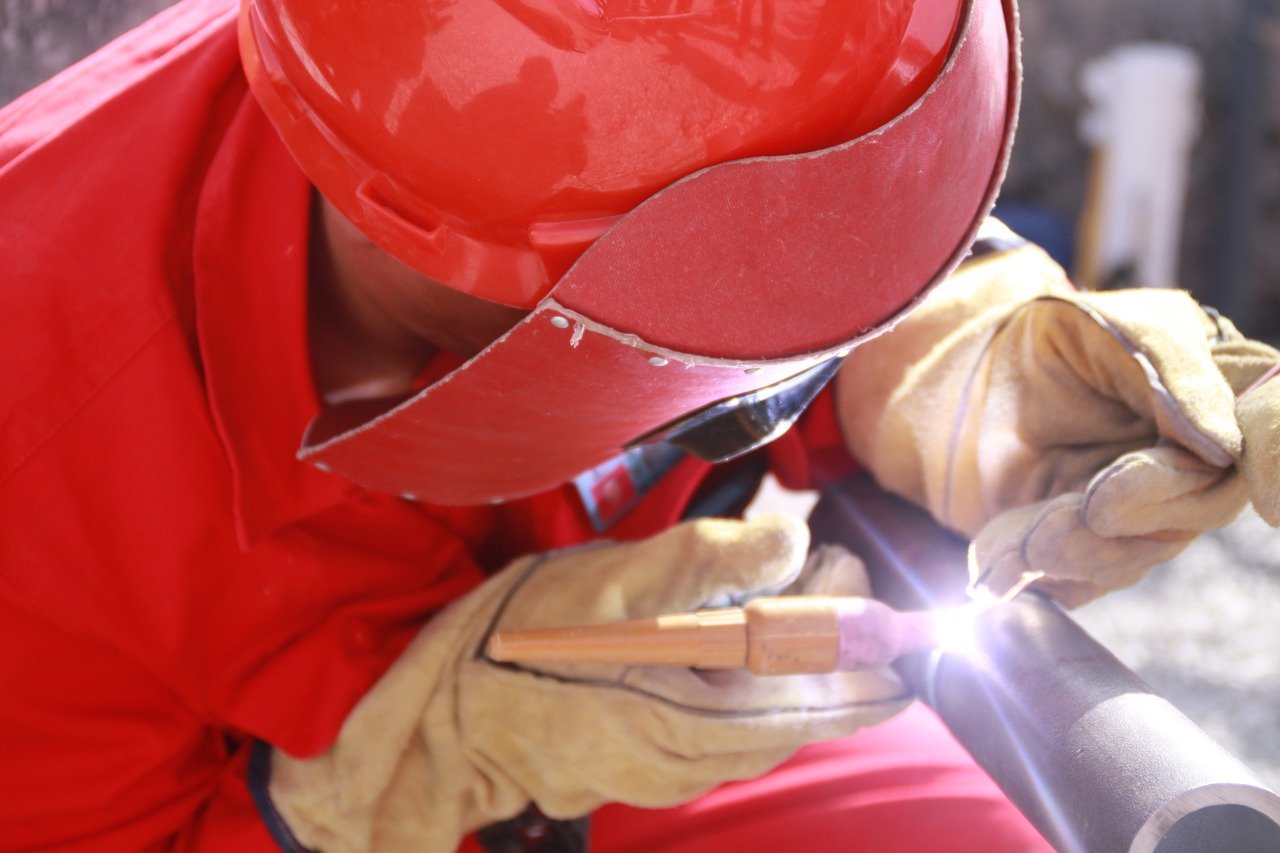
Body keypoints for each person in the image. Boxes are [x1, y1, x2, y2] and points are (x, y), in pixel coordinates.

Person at [1, 1, 1277, 851]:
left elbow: (768, 212)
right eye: (746, 306)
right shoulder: (38, 454)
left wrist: (958, 378)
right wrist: (402, 771)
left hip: (649, 738)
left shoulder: (562, 143)